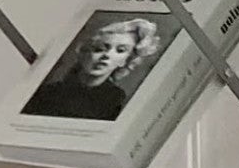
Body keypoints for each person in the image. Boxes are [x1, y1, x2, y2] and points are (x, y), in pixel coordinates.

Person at [22, 16, 162, 121]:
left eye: (120, 50)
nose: (106, 55)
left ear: (125, 61)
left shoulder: (116, 100)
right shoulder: (46, 92)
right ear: (84, 52)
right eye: (99, 49)